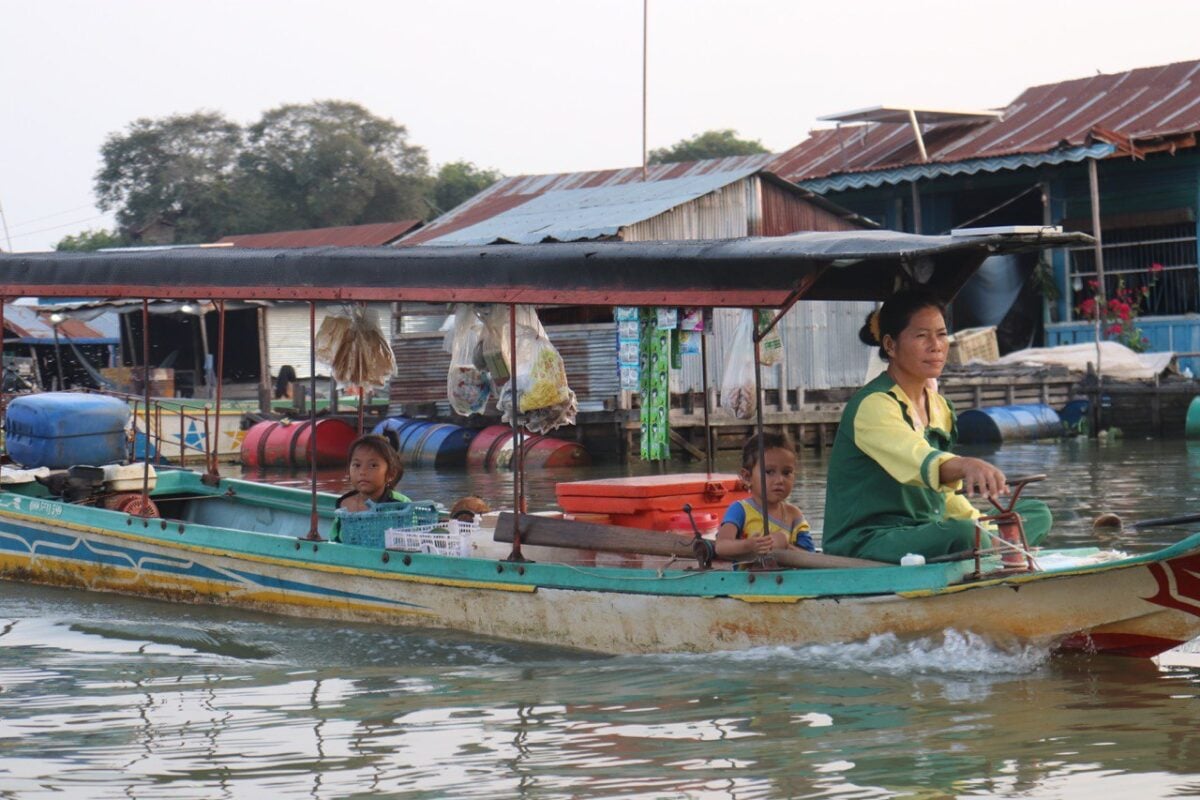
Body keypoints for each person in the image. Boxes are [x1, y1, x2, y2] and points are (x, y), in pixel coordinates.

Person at [822, 288, 1052, 563]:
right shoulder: (873, 404)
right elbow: (917, 457)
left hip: (924, 530)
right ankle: (997, 548)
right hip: (870, 537)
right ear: (890, 345)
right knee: (964, 534)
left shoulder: (939, 407)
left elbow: (945, 497)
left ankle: (992, 545)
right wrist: (967, 465)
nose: (936, 345)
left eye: (942, 334)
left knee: (1036, 513)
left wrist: (981, 522)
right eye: (922, 336)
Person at [715, 432, 814, 565]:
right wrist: (750, 545)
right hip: (748, 582)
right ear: (747, 477)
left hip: (789, 583)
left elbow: (812, 558)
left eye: (786, 473)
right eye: (769, 472)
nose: (780, 480)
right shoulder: (740, 510)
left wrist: (786, 547)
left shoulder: (794, 515)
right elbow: (721, 546)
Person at [330, 433, 410, 543]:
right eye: (357, 465)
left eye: (373, 465)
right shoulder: (343, 504)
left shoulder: (401, 504)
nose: (362, 472)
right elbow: (334, 539)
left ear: (391, 474)